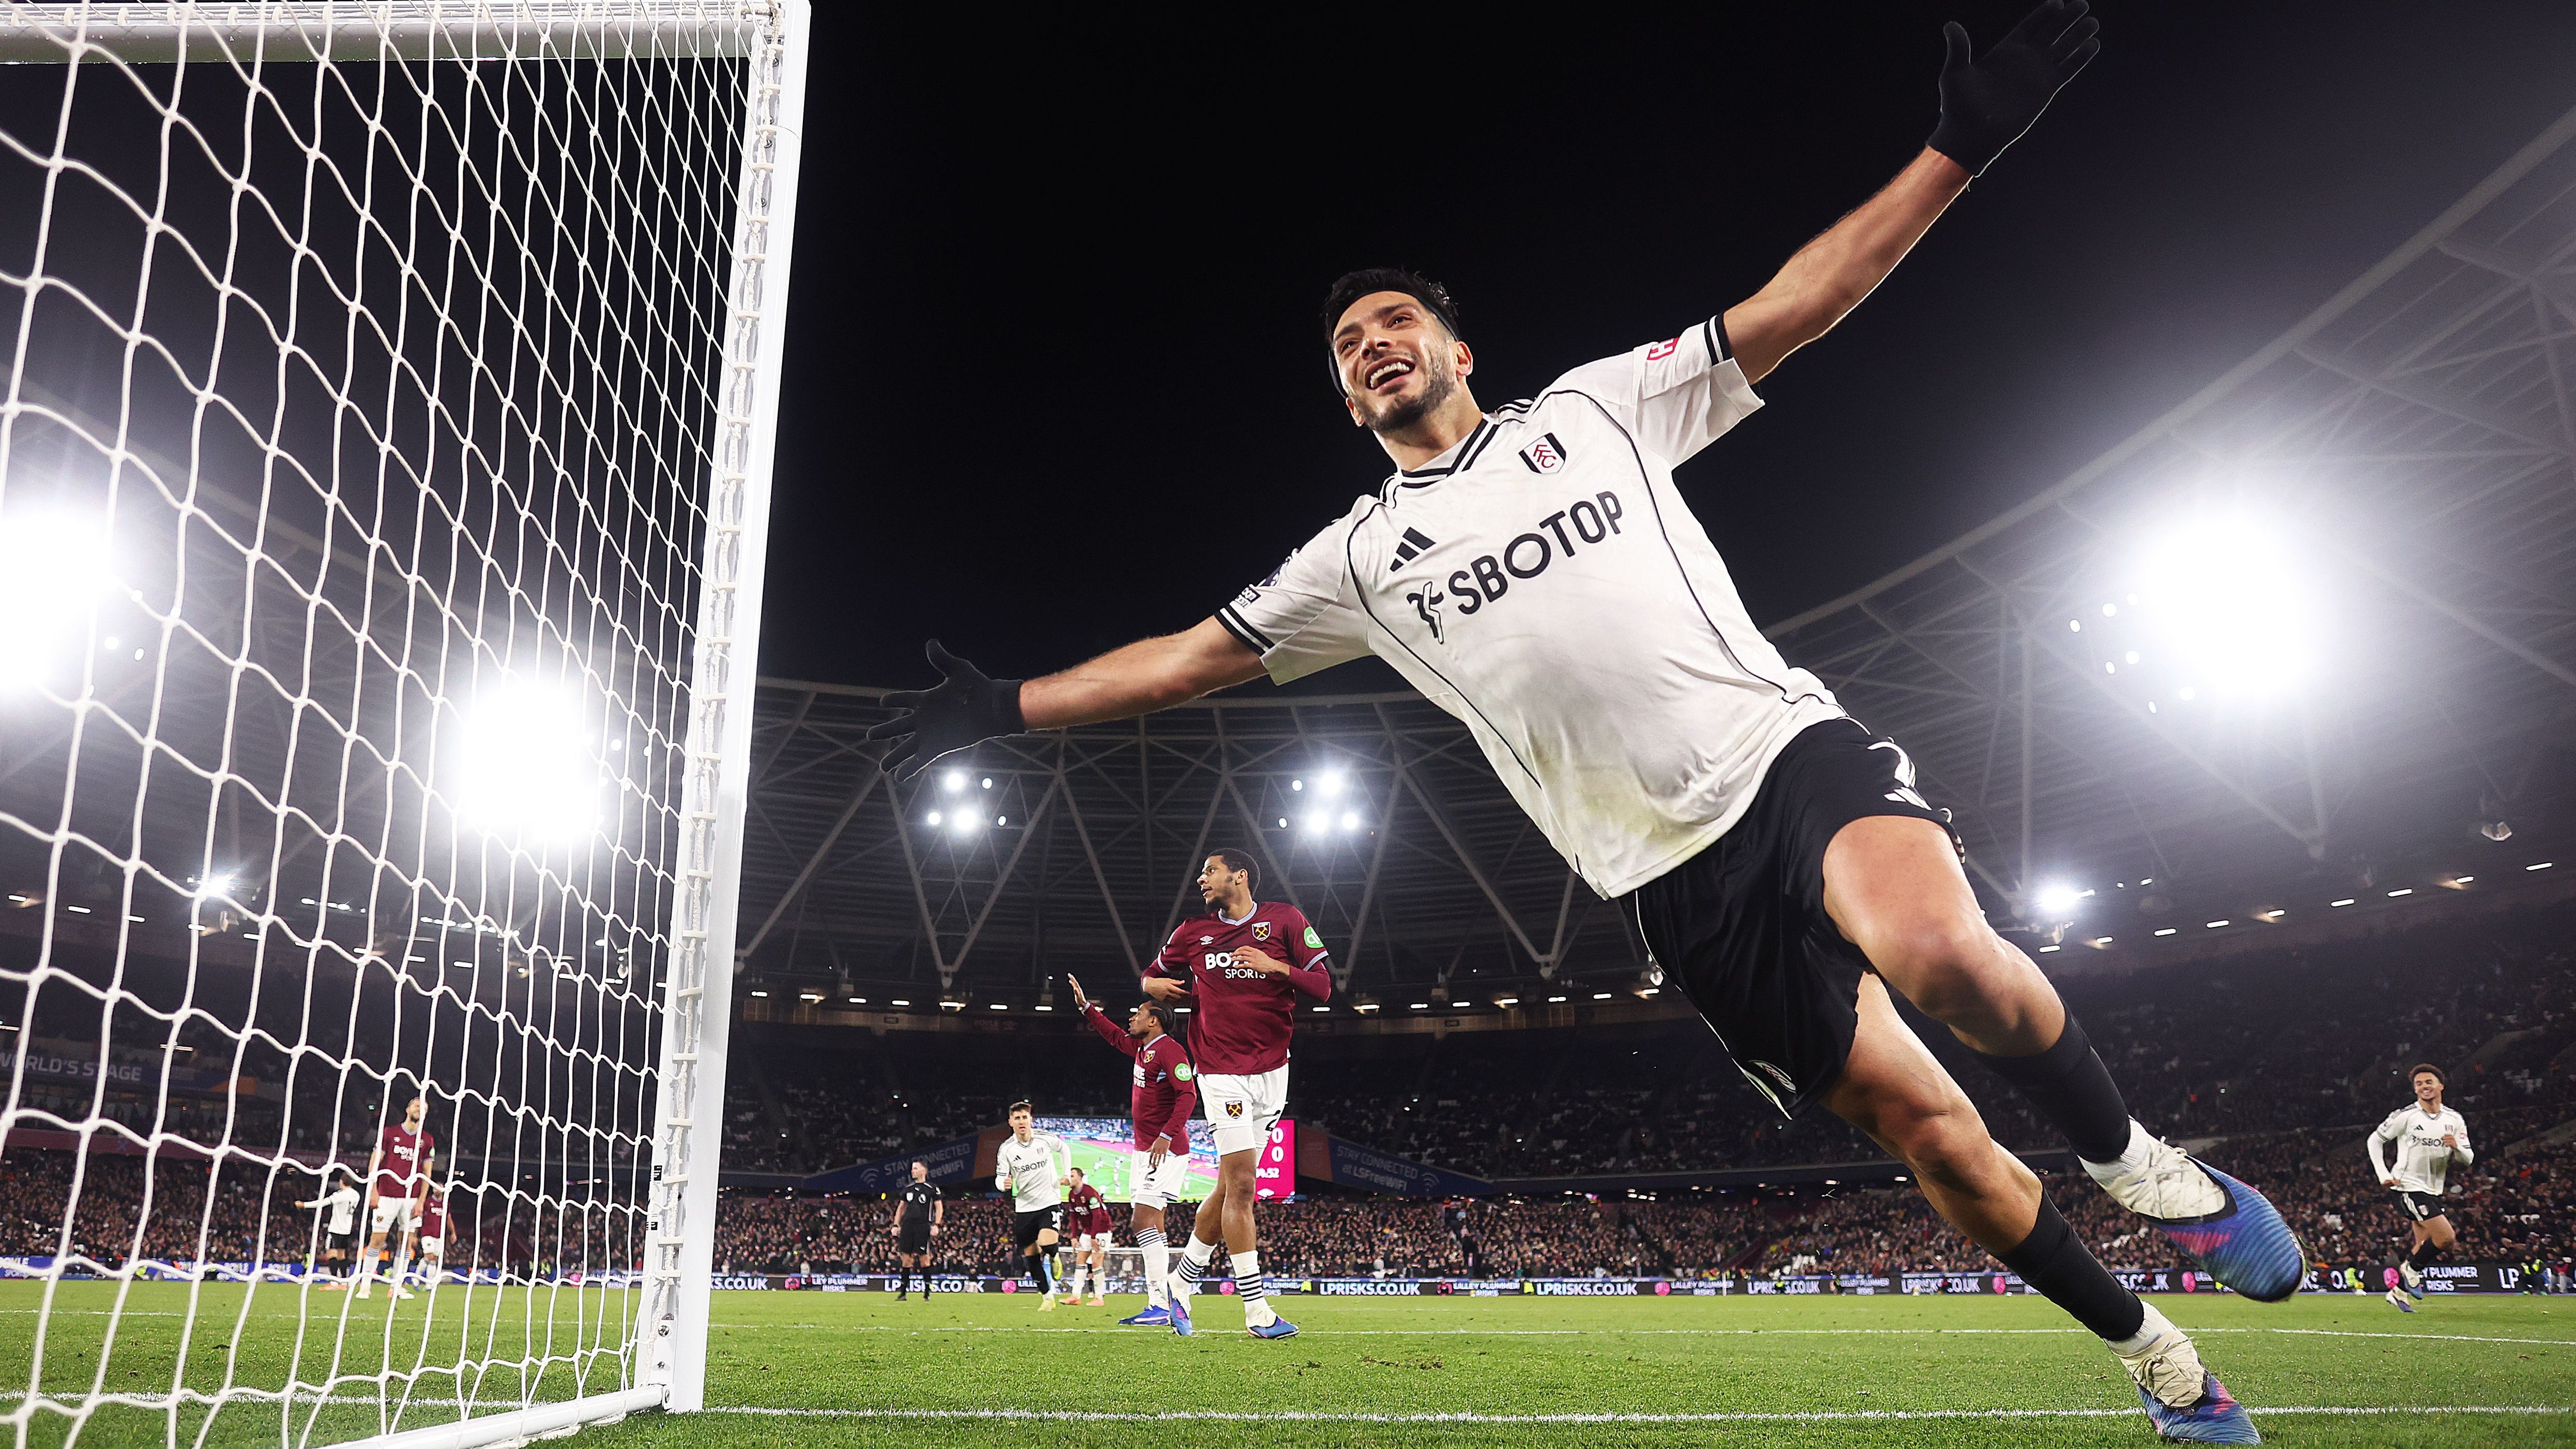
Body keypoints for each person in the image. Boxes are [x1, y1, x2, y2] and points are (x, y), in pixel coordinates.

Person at [863, 7, 2293, 1435]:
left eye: (1393, 325)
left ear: (1454, 347)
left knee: (1933, 947)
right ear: (1344, 397)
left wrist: (1957, 145)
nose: (1370, 347)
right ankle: (2156, 1357)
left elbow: (1800, 299)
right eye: (1348, 346)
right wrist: (1007, 703)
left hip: (1777, 756)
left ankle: (2145, 1171)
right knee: (1937, 1137)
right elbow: (1182, 658)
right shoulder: (1353, 561)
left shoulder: (1599, 409)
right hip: (1664, 880)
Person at [1136, 850, 1328, 1339]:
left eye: (1210, 870)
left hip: (1273, 1071)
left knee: (1227, 1187)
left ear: (1238, 876)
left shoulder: (1285, 920)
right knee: (1244, 1187)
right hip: (1220, 1071)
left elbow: (1323, 986)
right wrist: (1152, 983)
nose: (1201, 878)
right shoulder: (1191, 932)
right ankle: (1256, 1310)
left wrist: (1274, 966)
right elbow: (1149, 976)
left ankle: (1180, 1285)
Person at [1070, 971, 1198, 1325]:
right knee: (1152, 1223)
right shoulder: (1143, 1048)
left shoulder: (1171, 1050)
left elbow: (1188, 1095)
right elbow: (1112, 1034)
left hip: (1164, 1150)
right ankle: (1161, 1301)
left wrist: (1167, 1135)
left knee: (1142, 1219)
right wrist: (1086, 1008)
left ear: (1154, 1020)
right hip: (1145, 1150)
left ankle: (1162, 1299)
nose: (1131, 1018)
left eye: (1138, 1013)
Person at [2369, 1063, 2472, 1313]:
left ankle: (2399, 1292)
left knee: (2422, 1245)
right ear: (2415, 1090)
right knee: (2446, 1238)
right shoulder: (2406, 1116)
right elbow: (2375, 1140)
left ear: (2440, 1086)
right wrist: (2383, 1174)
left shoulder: (2454, 1119)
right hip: (2406, 1187)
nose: (2424, 1087)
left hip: (2433, 1190)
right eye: (2419, 1084)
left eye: (2429, 1082)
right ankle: (2411, 1270)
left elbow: (2468, 1159)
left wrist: (2456, 1149)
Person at [993, 1102, 1072, 1311]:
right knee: (1031, 1255)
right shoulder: (1006, 1150)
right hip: (1025, 1207)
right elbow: (1000, 1179)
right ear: (1011, 1122)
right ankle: (1048, 1297)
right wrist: (1004, 1185)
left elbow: (1064, 1148)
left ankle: (1055, 1256)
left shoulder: (1044, 1139)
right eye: (1017, 1118)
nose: (1022, 1122)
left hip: (1049, 1201)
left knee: (1046, 1243)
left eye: (1025, 1117)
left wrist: (1066, 1173)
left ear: (1031, 1120)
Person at [358, 1095, 434, 1301]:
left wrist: (421, 1201)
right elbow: (375, 1162)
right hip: (388, 1195)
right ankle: (365, 1286)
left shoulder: (427, 1140)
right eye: (418, 1106)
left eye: (424, 1108)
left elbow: (428, 1174)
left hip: (411, 1199)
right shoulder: (389, 1133)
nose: (420, 1110)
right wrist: (373, 1189)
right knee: (377, 1240)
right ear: (408, 1108)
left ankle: (397, 1287)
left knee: (407, 1242)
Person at [297, 1168, 361, 1289]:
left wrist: (304, 1205)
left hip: (336, 1229)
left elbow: (323, 1202)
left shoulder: (340, 1195)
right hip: (347, 1230)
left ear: (342, 1181)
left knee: (331, 1255)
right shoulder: (356, 1195)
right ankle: (343, 1282)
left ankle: (334, 1283)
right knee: (342, 1256)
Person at [890, 1159, 943, 1300]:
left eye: (915, 1168)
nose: (912, 1171)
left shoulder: (931, 1188)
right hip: (908, 1226)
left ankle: (927, 1292)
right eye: (912, 1168)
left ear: (923, 1171)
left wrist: (936, 1225)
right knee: (906, 1260)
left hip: (923, 1225)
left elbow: (939, 1208)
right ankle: (903, 1293)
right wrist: (896, 1225)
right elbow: (901, 1208)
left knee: (924, 1259)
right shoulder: (908, 1189)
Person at [1060, 1167, 1111, 1305]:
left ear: (1080, 1178)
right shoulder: (1072, 1195)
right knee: (1080, 1260)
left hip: (1102, 1229)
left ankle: (1099, 1298)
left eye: (1072, 1176)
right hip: (1088, 1231)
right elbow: (1073, 1217)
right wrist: (1074, 1237)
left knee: (1096, 1262)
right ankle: (1075, 1297)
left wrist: (1094, 1237)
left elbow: (1098, 1216)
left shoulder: (1090, 1193)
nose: (1069, 1178)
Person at [413, 1182, 446, 1291]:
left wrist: (453, 1232)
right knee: (429, 1256)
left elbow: (448, 1218)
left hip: (439, 1235)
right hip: (427, 1234)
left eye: (439, 1189)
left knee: (434, 1259)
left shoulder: (445, 1204)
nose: (437, 1191)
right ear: (433, 1190)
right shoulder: (427, 1203)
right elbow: (419, 1218)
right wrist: (415, 1234)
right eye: (435, 1189)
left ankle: (429, 1284)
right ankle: (417, 1277)